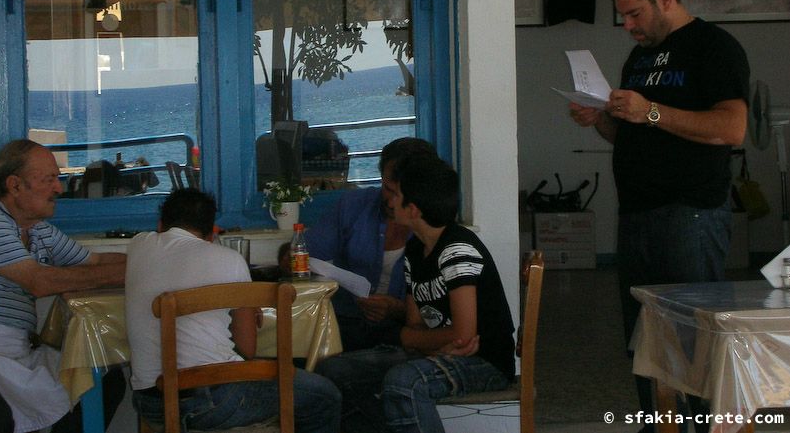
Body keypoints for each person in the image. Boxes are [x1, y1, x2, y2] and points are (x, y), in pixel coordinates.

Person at [569, 0, 750, 432]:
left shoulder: (713, 48)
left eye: (634, 14)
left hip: (689, 214)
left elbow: (731, 128)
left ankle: (703, 427)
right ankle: (659, 426)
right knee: (645, 341)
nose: (628, 26)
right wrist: (602, 118)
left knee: (693, 340)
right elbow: (634, 135)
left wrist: (649, 111)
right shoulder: (641, 58)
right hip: (638, 216)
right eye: (622, 16)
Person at [317, 153, 516, 433]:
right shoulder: (414, 250)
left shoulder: (456, 249)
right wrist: (428, 343)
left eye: (397, 195)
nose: (390, 201)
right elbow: (413, 326)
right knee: (333, 372)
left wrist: (416, 339)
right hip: (439, 353)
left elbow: (464, 335)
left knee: (404, 383)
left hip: (483, 362)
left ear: (413, 209)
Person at [0, 139, 127, 433]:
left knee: (104, 379)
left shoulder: (38, 231)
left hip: (13, 351)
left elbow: (97, 262)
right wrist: (132, 274)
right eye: (50, 179)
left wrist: (152, 263)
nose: (59, 189)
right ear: (15, 185)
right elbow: (40, 282)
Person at [125, 188, 341, 433]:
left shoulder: (138, 246)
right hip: (212, 403)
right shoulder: (229, 260)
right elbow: (247, 350)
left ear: (160, 224)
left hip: (151, 404)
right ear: (210, 233)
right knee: (325, 397)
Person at [306, 137, 438, 351]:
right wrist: (291, 258)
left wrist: (398, 309)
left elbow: (441, 315)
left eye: (400, 193)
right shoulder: (353, 205)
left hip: (404, 333)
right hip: (342, 323)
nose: (390, 200)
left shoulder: (433, 228)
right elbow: (306, 255)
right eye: (387, 188)